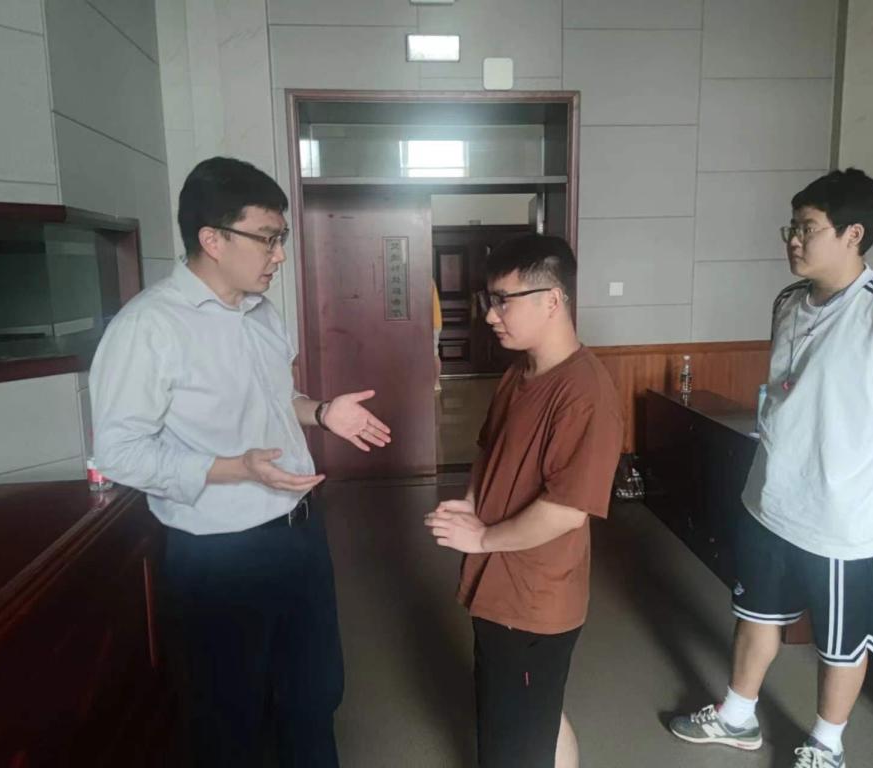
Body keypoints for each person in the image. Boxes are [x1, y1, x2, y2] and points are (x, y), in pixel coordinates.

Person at [90, 157, 392, 767]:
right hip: (220, 556)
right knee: (230, 718)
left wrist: (322, 411)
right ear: (212, 238)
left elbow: (278, 401)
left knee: (314, 697)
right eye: (267, 238)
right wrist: (237, 468)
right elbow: (119, 451)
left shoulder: (261, 312)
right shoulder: (148, 327)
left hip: (299, 533)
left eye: (281, 238)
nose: (279, 255)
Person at [669, 168, 873, 768]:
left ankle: (826, 744)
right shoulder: (789, 302)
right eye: (790, 228)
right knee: (756, 614)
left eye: (807, 228)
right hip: (771, 497)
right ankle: (738, 716)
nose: (793, 240)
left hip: (842, 516)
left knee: (841, 639)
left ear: (853, 234)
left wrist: (872, 451)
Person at [424, 234, 623, 768]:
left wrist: (483, 537)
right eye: (489, 300)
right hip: (500, 584)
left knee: (516, 740)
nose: (490, 315)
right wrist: (472, 505)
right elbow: (488, 449)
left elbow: (567, 510)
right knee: (536, 715)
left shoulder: (585, 393)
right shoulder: (520, 373)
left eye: (503, 301)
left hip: (533, 601)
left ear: (552, 300)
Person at [433, 279, 443, 391]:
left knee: (433, 353)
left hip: (433, 323)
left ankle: (436, 381)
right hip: (423, 323)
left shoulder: (428, 281)